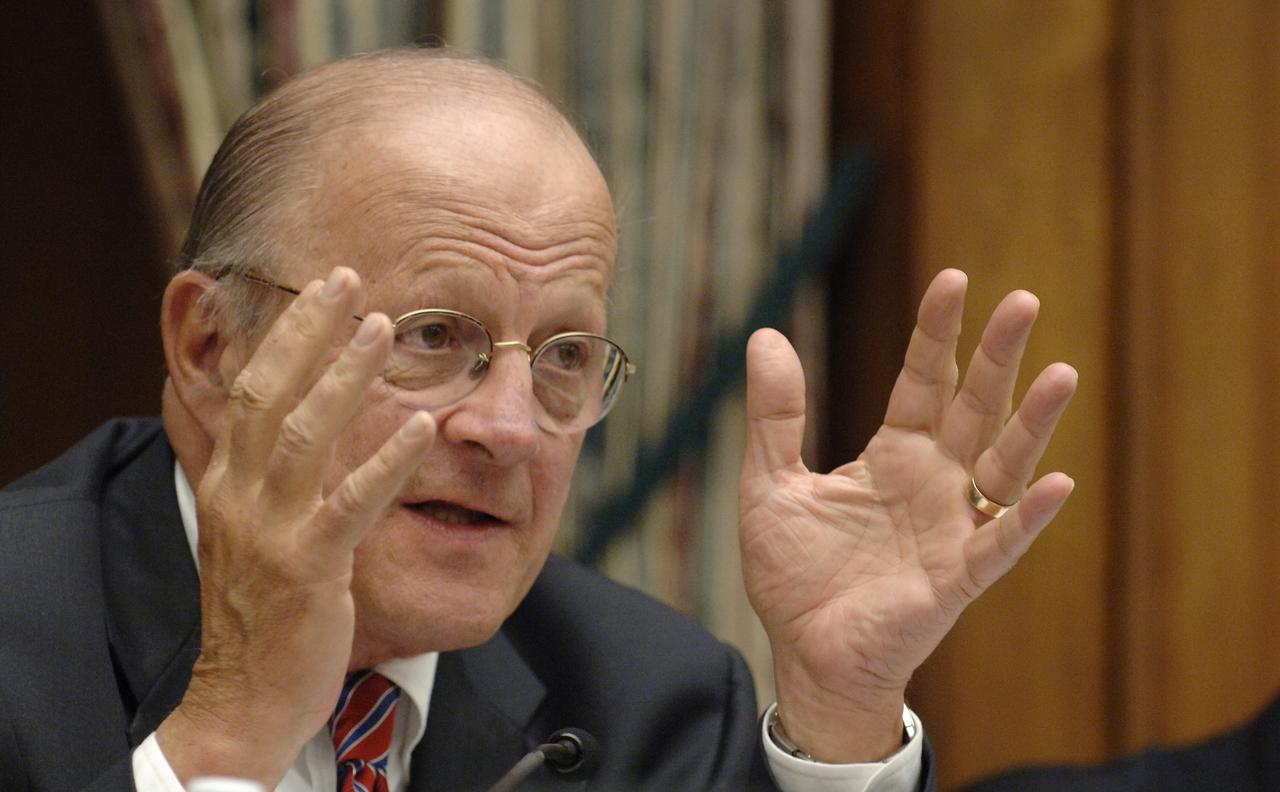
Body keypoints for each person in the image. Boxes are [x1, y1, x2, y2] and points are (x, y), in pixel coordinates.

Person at [0, 49, 1077, 792]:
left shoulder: (646, 696)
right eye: (430, 336)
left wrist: (839, 722)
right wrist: (225, 739)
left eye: (563, 355)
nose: (507, 428)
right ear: (209, 351)